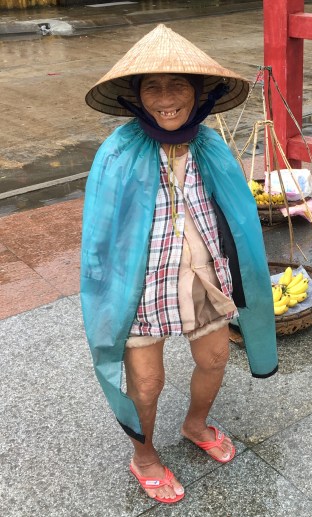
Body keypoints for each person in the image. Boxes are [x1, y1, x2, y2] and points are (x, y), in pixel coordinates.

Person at [81, 24, 278, 505]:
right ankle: (144, 457)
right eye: (153, 86)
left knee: (214, 359)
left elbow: (237, 215)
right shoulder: (117, 152)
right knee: (148, 384)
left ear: (197, 92)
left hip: (201, 277)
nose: (166, 99)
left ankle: (195, 424)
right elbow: (100, 237)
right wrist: (105, 294)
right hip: (139, 286)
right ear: (136, 96)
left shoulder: (211, 147)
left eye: (178, 85)